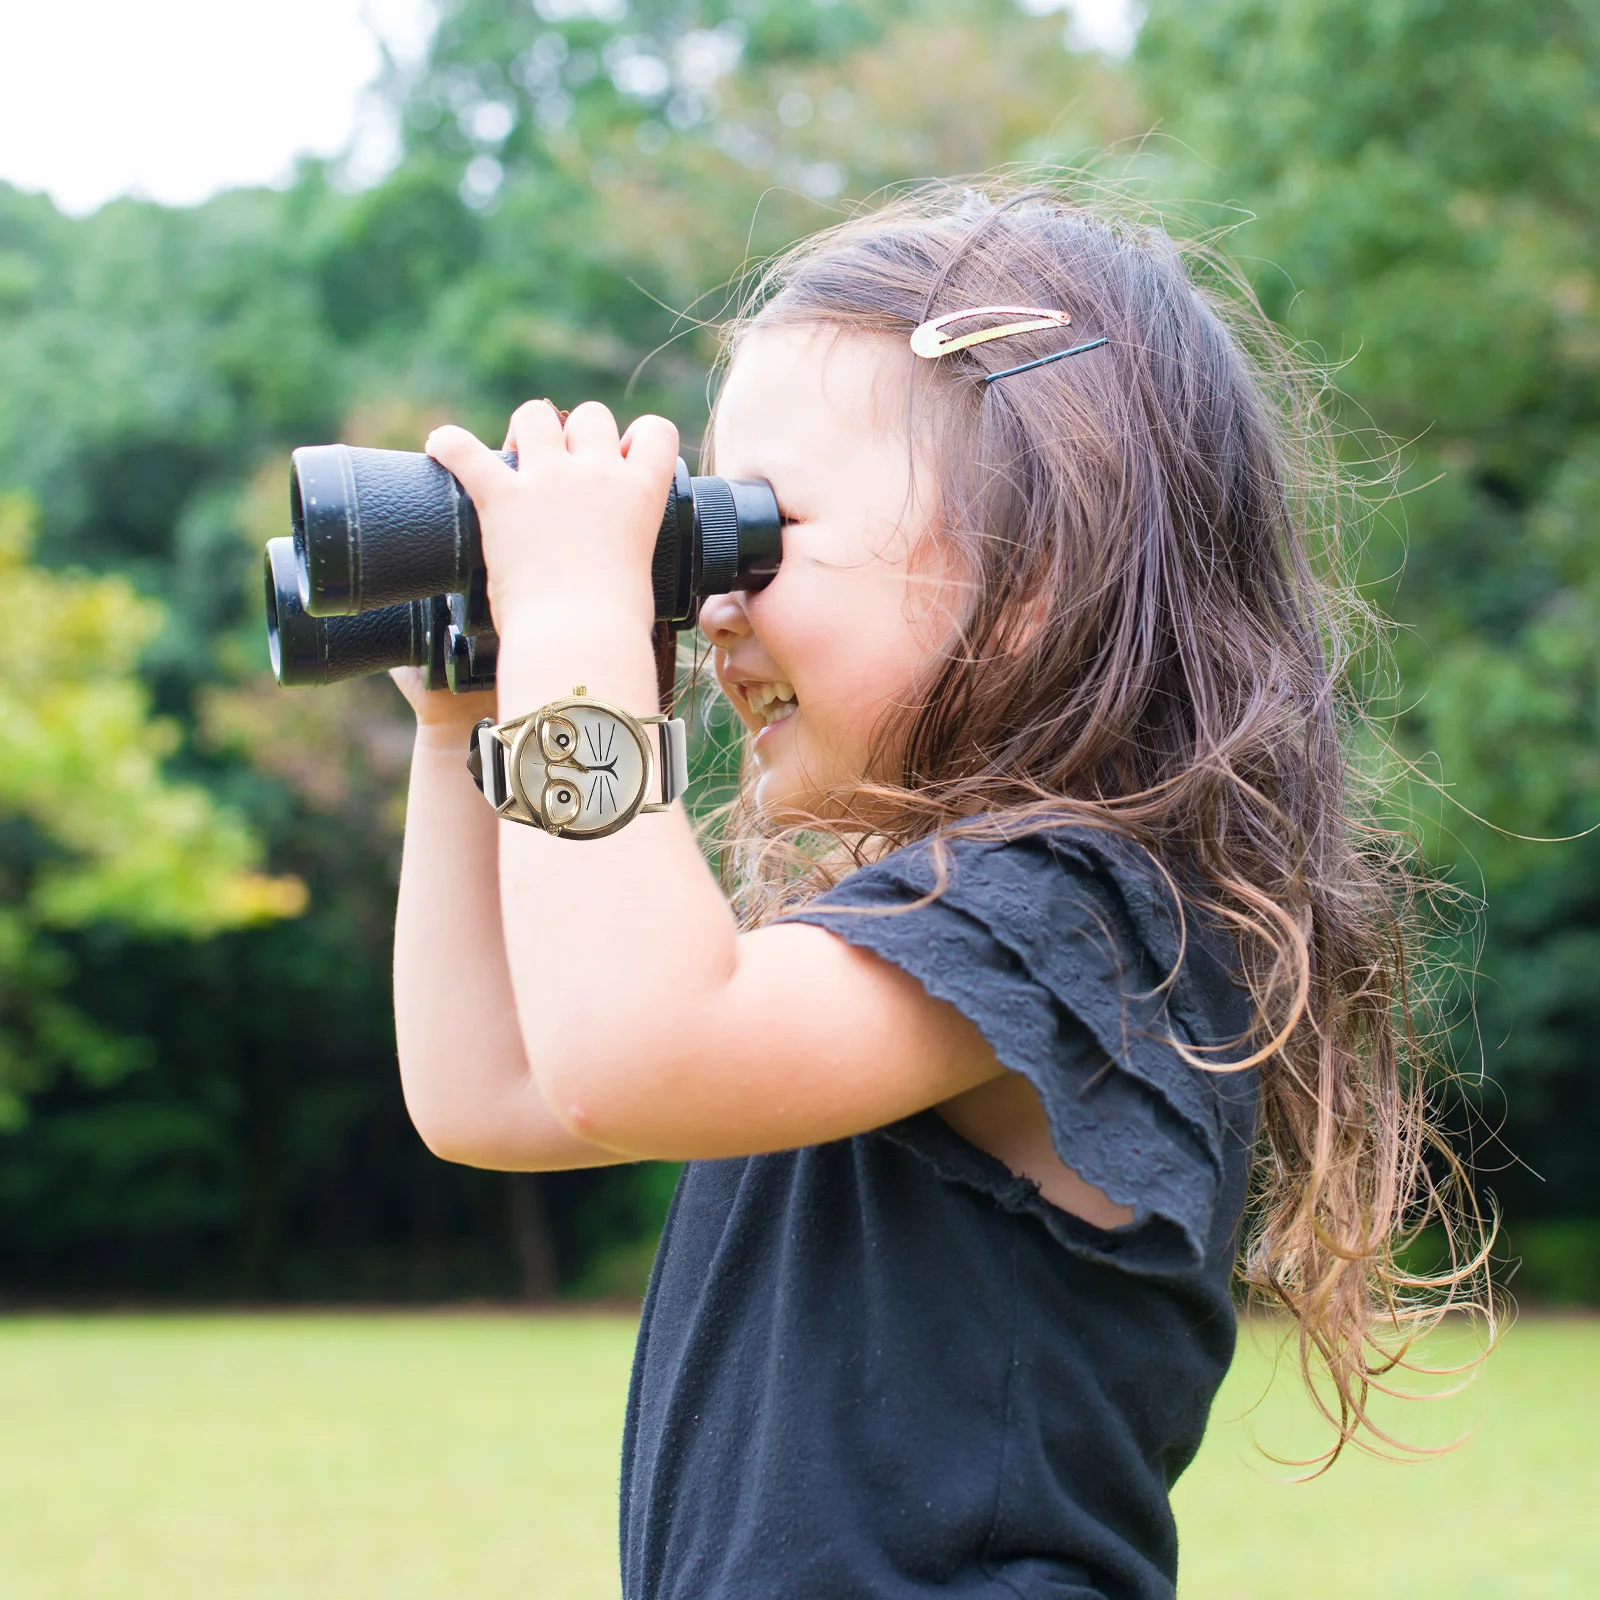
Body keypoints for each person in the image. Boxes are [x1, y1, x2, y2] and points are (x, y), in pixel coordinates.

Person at [389, 185, 1483, 1599]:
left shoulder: (1086, 916)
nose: (711, 606)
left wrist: (576, 623)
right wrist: (462, 717)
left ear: (1035, 568)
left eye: (753, 535)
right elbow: (495, 1095)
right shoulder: (910, 948)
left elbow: (630, 1058)